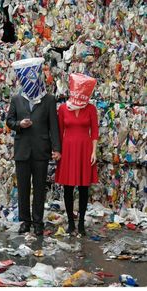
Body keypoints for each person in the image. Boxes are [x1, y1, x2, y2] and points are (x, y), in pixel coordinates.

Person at [6, 57, 61, 236]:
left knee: (39, 188)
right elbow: (9, 121)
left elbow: (54, 126)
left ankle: (38, 222)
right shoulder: (17, 99)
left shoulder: (49, 100)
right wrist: (19, 124)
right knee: (23, 188)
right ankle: (25, 221)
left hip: (40, 150)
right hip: (22, 150)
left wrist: (56, 149)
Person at [55, 73, 99, 236]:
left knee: (83, 188)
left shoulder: (91, 109)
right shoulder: (63, 108)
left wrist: (94, 151)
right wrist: (57, 151)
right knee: (68, 187)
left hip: (85, 150)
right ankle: (71, 223)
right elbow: (59, 132)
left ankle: (81, 223)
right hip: (68, 150)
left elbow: (94, 132)